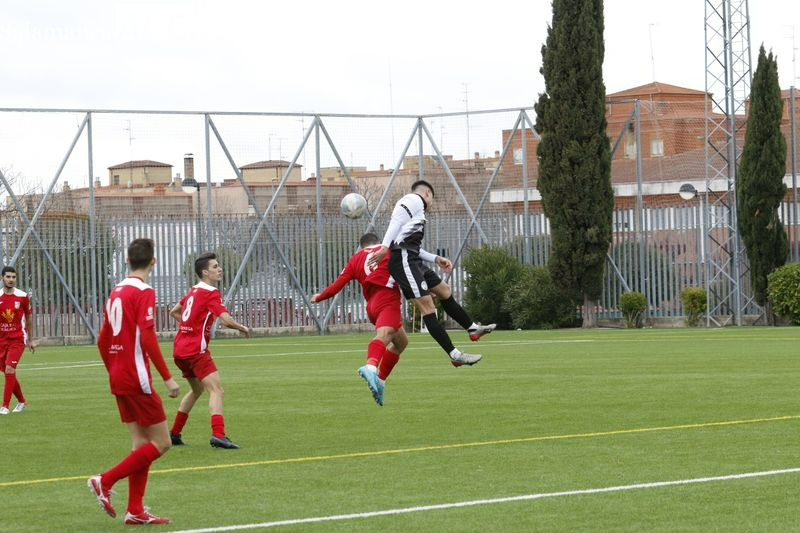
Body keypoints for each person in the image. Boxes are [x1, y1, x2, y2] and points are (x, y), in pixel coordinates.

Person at [88, 237, 180, 525]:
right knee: (163, 443)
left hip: (119, 374)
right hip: (136, 376)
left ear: (127, 260)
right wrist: (167, 377)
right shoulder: (144, 291)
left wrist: (113, 367)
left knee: (141, 443)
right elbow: (148, 335)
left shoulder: (116, 291)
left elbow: (102, 338)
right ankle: (105, 480)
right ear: (153, 261)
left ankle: (135, 510)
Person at [370, 180, 495, 367]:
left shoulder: (415, 213)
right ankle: (454, 354)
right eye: (432, 200)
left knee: (444, 290)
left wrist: (436, 258)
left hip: (411, 259)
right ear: (427, 193)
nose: (431, 205)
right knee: (428, 307)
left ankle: (472, 328)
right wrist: (384, 247)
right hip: (404, 261)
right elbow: (396, 227)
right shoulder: (414, 199)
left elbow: (409, 245)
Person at [311, 233, 408, 406]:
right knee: (384, 335)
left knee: (401, 342)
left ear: (362, 246)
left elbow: (337, 285)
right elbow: (407, 268)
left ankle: (380, 381)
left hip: (372, 306)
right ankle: (370, 367)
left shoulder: (355, 259)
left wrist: (319, 297)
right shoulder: (387, 250)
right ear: (378, 242)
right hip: (387, 299)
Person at [168, 252, 250, 449]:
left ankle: (174, 433)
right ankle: (219, 435)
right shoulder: (210, 293)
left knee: (197, 390)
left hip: (180, 350)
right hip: (196, 352)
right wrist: (242, 328)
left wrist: (190, 327)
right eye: (215, 267)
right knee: (217, 390)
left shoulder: (193, 291)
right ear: (205, 272)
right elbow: (225, 319)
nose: (219, 269)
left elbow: (174, 312)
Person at [0, 266, 36, 415]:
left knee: (10, 369)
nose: (11, 280)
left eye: (13, 277)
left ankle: (5, 406)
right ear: (2, 278)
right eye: (8, 277)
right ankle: (22, 401)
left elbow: (28, 318)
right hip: (1, 341)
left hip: (17, 339)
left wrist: (31, 340)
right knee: (8, 372)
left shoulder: (22, 296)